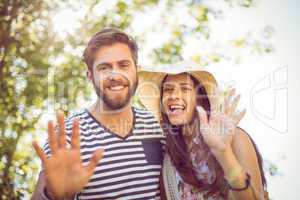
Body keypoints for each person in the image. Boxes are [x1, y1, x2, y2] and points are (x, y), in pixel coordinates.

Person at [31, 27, 165, 200]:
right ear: (90, 76)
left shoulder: (154, 125)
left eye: (124, 65)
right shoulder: (68, 135)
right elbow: (41, 194)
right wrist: (55, 196)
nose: (115, 75)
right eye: (104, 68)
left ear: (137, 70)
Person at [137, 61, 268, 199]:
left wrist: (224, 153)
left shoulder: (235, 139)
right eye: (168, 89)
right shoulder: (167, 159)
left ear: (201, 99)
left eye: (185, 88)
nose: (174, 95)